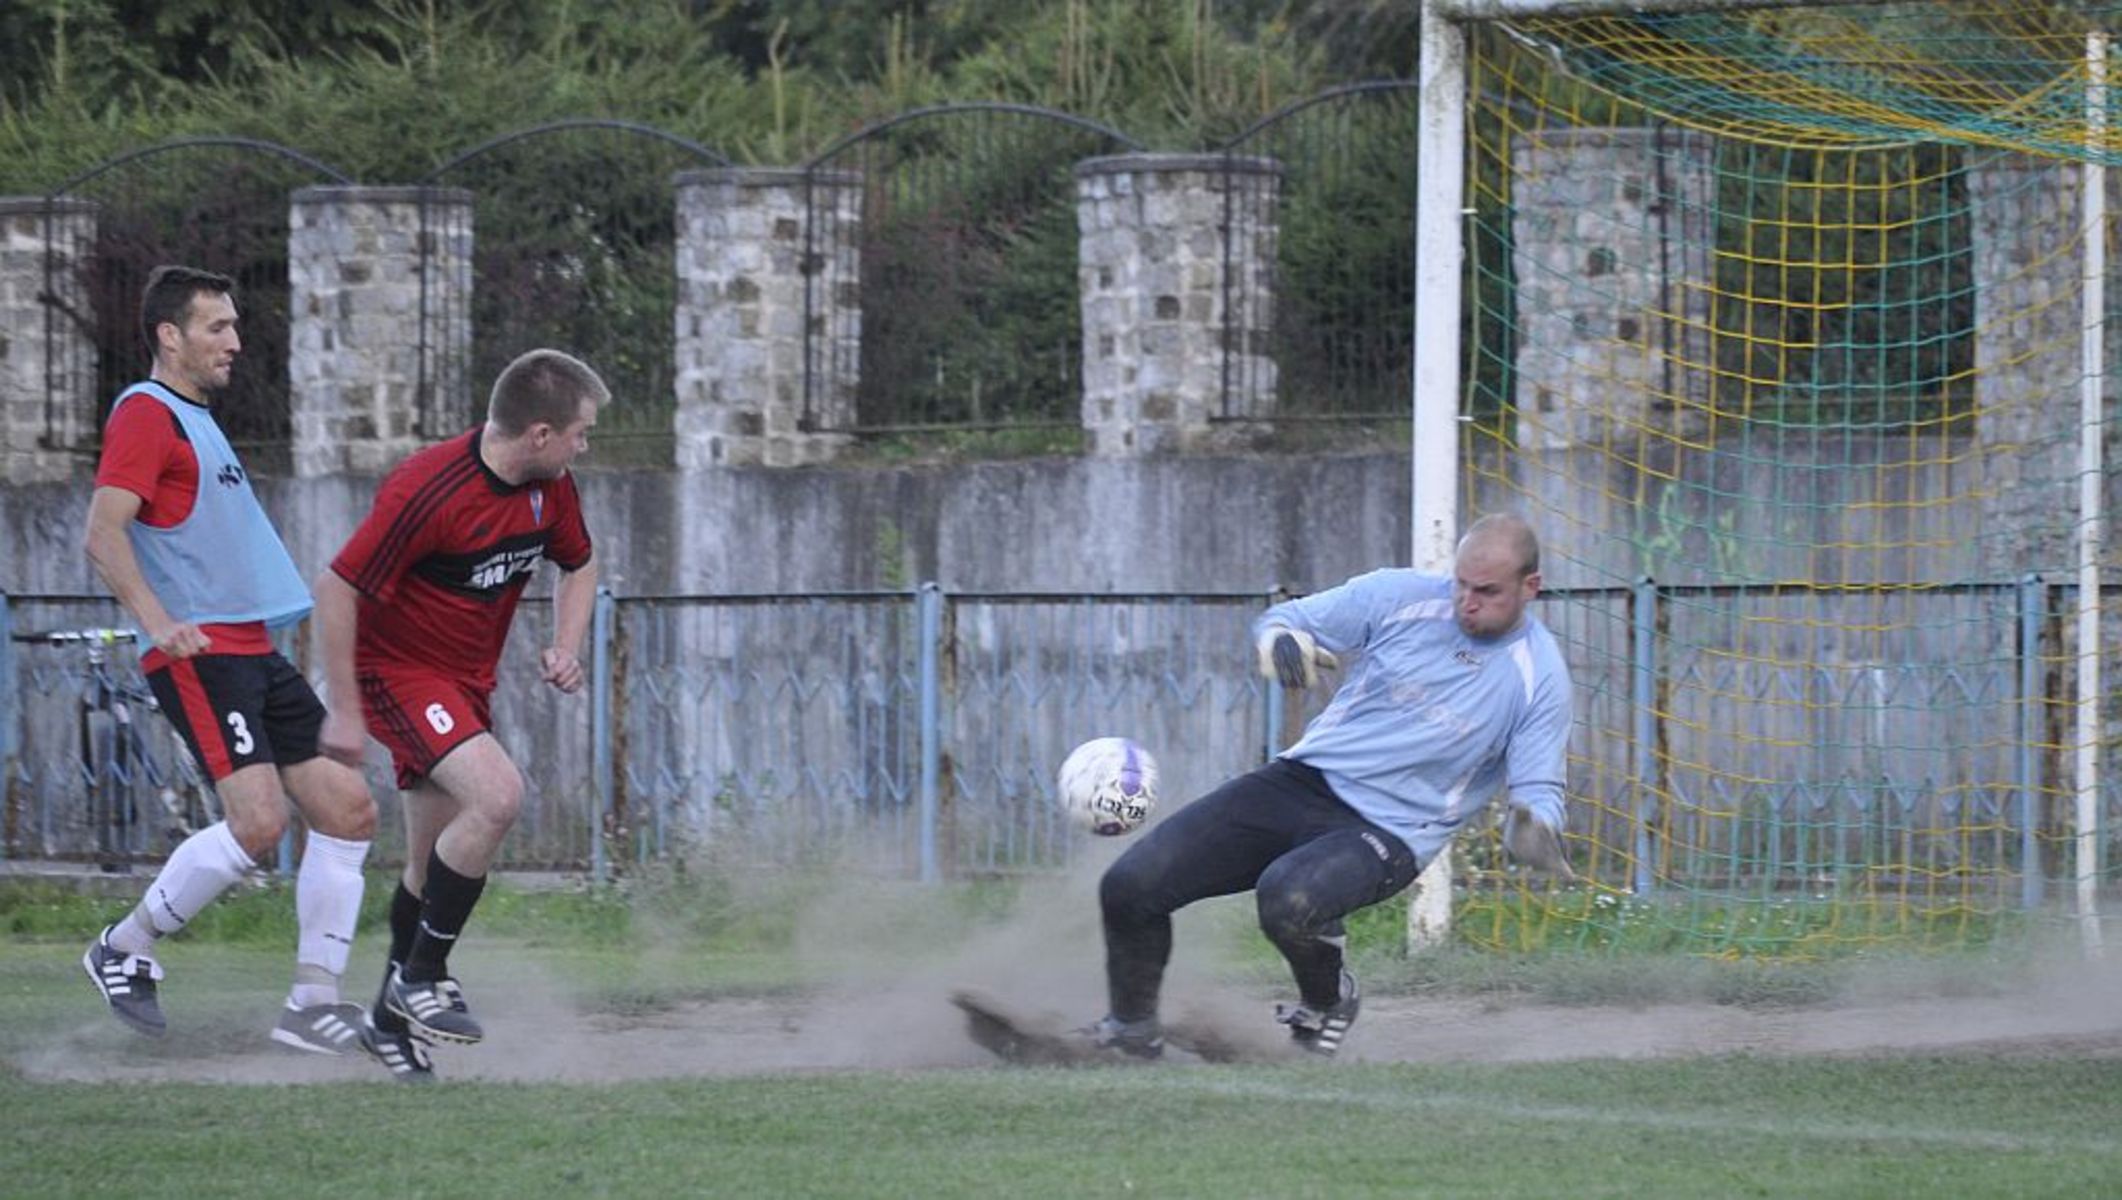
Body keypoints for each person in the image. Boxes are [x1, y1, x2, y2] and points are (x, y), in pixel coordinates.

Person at [1083, 512, 1576, 1060]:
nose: (1467, 600)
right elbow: (1288, 619)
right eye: (1461, 583)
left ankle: (1327, 1001)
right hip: (1302, 782)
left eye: (1487, 591)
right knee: (1129, 886)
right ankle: (1131, 1032)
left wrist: (1535, 825)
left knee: (1288, 897)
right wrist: (1283, 641)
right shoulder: (1401, 595)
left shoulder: (1540, 678)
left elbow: (1538, 785)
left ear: (1530, 587)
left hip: (1391, 831)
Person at [80, 264, 377, 1054]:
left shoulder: (195, 418)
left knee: (349, 810)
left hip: (253, 651)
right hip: (201, 655)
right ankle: (122, 947)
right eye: (218, 327)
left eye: (236, 326)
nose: (235, 342)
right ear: (169, 335)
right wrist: (159, 621)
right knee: (258, 823)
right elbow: (102, 533)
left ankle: (312, 1003)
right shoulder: (146, 415)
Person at [314, 348, 602, 1082]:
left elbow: (581, 562)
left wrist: (565, 644)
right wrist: (345, 711)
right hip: (399, 675)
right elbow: (337, 586)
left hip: (465, 685)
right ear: (539, 433)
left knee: (426, 865)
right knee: (499, 796)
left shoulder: (551, 489)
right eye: (579, 433)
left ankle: (385, 1020)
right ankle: (423, 978)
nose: (583, 446)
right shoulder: (427, 489)